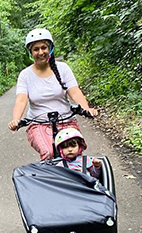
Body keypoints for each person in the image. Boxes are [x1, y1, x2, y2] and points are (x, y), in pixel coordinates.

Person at [8, 28, 98, 160]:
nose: (40, 52)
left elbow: (74, 91)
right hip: (39, 123)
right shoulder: (25, 75)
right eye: (36, 49)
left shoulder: (63, 68)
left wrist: (86, 109)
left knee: (74, 152)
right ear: (30, 53)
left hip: (66, 120)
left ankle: (78, 178)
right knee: (49, 152)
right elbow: (21, 100)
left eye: (44, 47)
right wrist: (16, 119)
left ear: (50, 48)